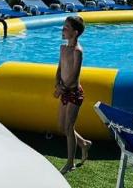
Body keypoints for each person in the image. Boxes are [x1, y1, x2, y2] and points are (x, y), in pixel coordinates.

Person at [53, 14, 90, 175]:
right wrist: (57, 83)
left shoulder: (77, 51)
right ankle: (83, 143)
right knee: (62, 127)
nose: (63, 30)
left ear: (74, 33)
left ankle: (70, 163)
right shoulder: (63, 48)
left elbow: (74, 75)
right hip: (64, 90)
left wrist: (61, 89)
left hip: (74, 93)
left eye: (66, 28)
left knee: (69, 127)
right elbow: (59, 69)